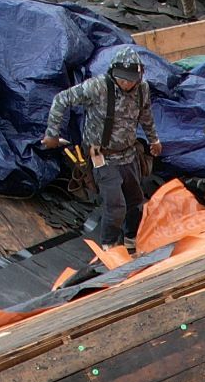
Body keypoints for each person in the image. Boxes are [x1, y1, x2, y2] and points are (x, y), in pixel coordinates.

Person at [39, 46, 163, 246]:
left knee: (135, 202)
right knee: (115, 206)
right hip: (102, 157)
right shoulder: (98, 87)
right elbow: (61, 99)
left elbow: (146, 115)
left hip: (128, 155)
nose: (126, 83)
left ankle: (131, 240)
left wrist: (153, 140)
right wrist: (52, 133)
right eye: (122, 78)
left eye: (131, 79)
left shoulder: (142, 89)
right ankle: (109, 246)